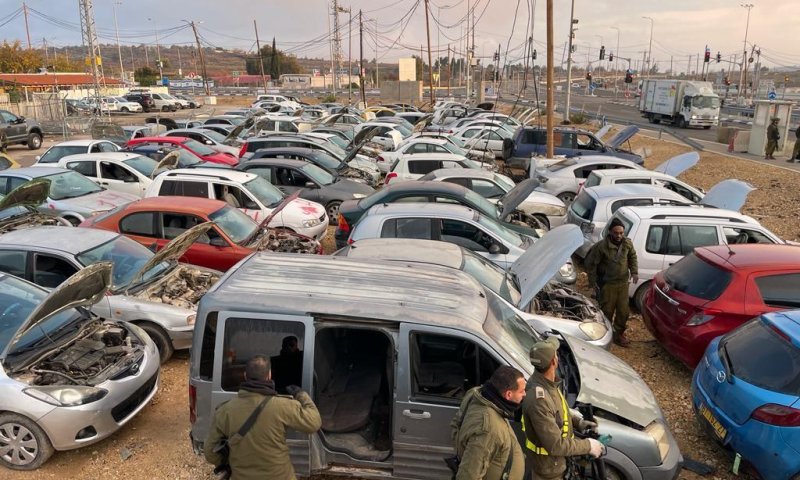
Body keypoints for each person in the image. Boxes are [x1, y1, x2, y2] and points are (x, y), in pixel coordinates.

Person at [204, 355, 321, 480]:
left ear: (245, 375)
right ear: (269, 375)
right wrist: (301, 394)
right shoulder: (283, 406)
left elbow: (210, 451)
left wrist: (228, 463)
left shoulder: (224, 411)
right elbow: (314, 422)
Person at [521, 337, 604, 480]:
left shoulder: (548, 384)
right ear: (554, 361)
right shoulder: (538, 398)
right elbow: (556, 445)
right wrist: (588, 445)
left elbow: (559, 413)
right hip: (549, 471)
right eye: (556, 354)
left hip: (558, 463)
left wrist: (578, 423)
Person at [450, 365, 526, 480]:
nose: (525, 394)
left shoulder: (477, 394)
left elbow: (456, 424)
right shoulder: (488, 428)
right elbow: (469, 474)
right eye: (521, 391)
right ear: (508, 394)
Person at [584, 217, 639, 347]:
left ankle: (618, 334)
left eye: (621, 233)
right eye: (616, 233)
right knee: (607, 311)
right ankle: (605, 335)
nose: (619, 235)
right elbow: (591, 265)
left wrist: (635, 272)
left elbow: (632, 256)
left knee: (623, 312)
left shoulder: (627, 243)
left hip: (623, 284)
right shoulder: (601, 247)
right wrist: (592, 283)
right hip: (608, 284)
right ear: (610, 232)